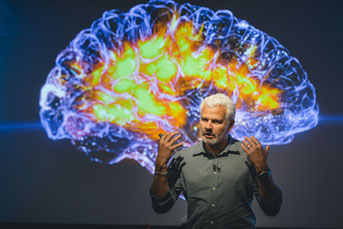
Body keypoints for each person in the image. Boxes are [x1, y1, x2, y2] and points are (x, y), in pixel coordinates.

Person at [150, 93, 282, 228]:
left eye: (216, 121)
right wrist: (160, 164)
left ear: (230, 125)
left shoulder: (248, 157)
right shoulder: (183, 158)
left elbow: (271, 208)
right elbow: (161, 206)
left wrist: (262, 170)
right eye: (204, 119)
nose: (207, 126)